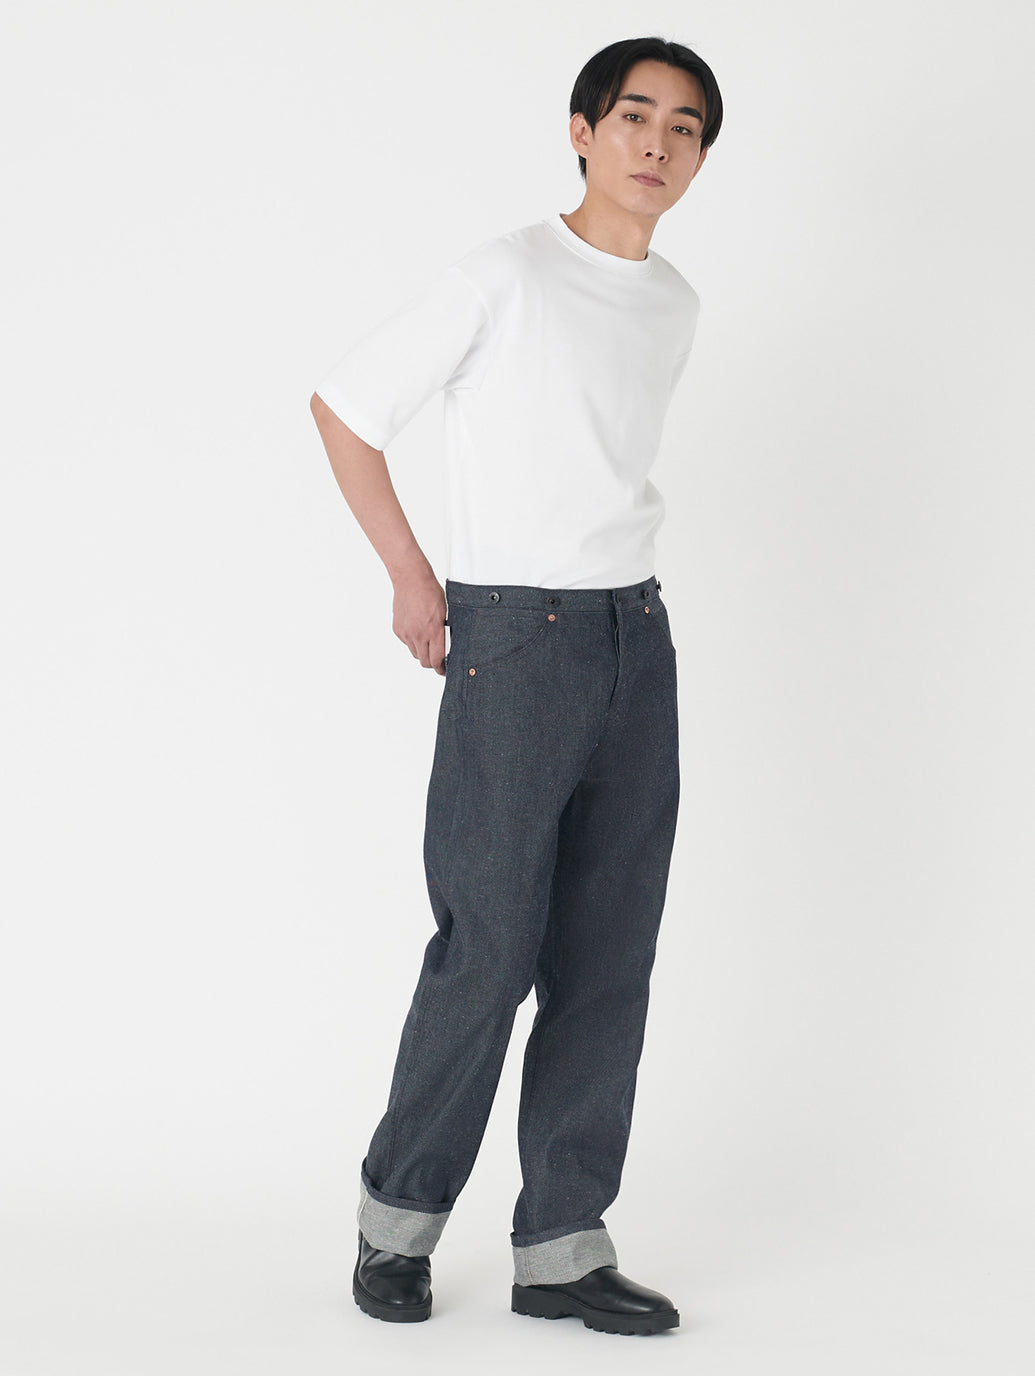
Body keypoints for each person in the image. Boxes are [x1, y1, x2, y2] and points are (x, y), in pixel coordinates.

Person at [309, 34, 722, 1336]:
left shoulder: (674, 304)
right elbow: (346, 407)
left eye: (686, 128)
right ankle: (396, 1226)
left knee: (609, 957)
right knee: (487, 950)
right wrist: (411, 575)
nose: (659, 143)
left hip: (635, 639)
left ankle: (561, 1248)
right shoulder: (506, 274)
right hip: (514, 640)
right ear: (583, 131)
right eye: (636, 116)